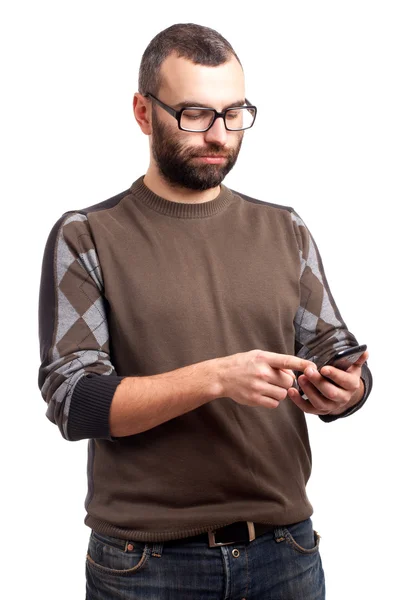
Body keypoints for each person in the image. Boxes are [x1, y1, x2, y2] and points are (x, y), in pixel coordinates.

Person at [38, 22, 372, 600]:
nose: (218, 134)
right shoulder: (87, 236)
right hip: (145, 566)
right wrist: (218, 377)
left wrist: (349, 389)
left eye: (233, 113)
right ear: (144, 112)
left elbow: (334, 351)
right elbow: (77, 402)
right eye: (194, 114)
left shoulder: (285, 229)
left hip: (286, 553)